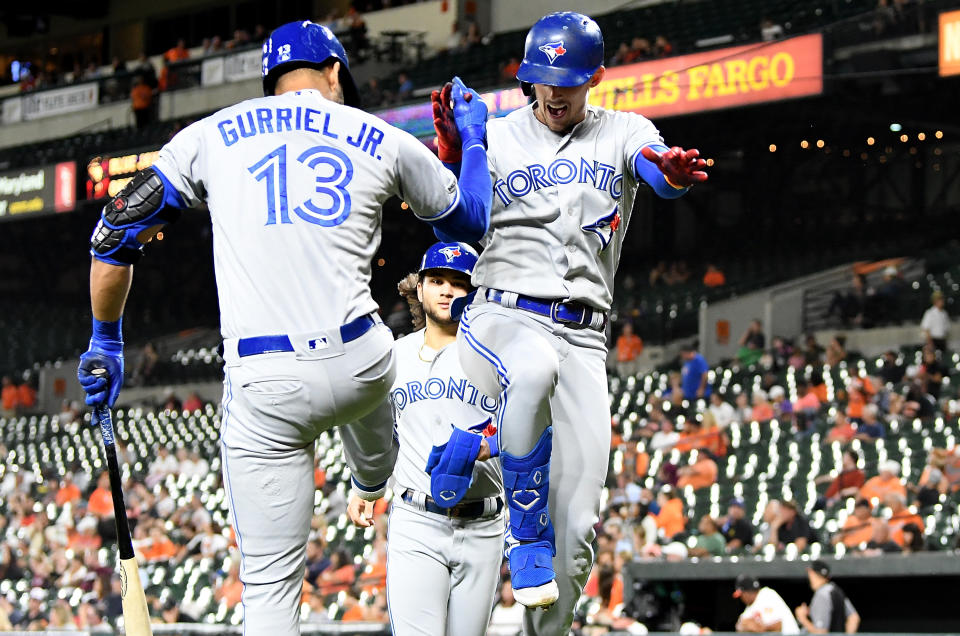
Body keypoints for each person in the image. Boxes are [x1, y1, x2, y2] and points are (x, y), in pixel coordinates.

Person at [76, 20, 493, 635]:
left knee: (269, 600)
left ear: (271, 82)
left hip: (264, 382)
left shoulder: (211, 134)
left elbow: (115, 231)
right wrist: (474, 141)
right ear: (333, 74)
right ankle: (372, 478)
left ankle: (365, 482)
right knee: (373, 388)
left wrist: (105, 341)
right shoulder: (379, 134)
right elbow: (470, 222)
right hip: (360, 361)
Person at [426, 10, 707, 632]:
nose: (553, 90)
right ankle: (520, 532)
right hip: (501, 316)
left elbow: (657, 168)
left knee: (578, 533)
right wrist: (453, 149)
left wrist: (672, 175)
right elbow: (455, 212)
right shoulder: (495, 136)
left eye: (568, 79)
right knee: (532, 368)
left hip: (583, 335)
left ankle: (484, 451)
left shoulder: (622, 130)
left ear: (596, 76)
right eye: (541, 77)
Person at [346, 243, 505, 636]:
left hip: (484, 523)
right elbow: (377, 432)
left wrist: (492, 445)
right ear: (419, 289)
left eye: (459, 283)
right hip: (417, 521)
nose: (447, 290)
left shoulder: (499, 357)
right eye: (436, 280)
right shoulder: (393, 356)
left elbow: (536, 427)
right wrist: (365, 486)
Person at [795, 560, 860, 633]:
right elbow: (854, 617)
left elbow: (821, 632)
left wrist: (802, 618)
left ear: (812, 573)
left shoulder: (822, 594)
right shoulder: (835, 590)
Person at [733, 574, 799, 634]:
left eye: (742, 595)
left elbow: (778, 626)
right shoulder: (749, 607)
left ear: (748, 592)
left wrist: (759, 627)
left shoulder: (767, 595)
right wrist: (749, 627)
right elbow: (739, 627)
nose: (741, 598)